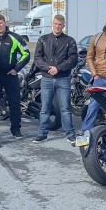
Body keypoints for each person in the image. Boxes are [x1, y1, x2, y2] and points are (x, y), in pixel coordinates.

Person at [33, 14, 78, 143]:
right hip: (47, 78)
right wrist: (48, 68)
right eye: (55, 24)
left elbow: (73, 59)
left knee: (65, 108)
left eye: (60, 25)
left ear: (63, 26)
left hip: (63, 78)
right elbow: (37, 58)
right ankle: (42, 134)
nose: (57, 26)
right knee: (45, 108)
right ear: (52, 24)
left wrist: (58, 68)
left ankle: (70, 134)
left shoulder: (70, 41)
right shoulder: (43, 39)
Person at [0, 14, 30, 138]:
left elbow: (26, 54)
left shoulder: (15, 37)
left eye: (1, 23)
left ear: (5, 23)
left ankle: (16, 129)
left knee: (14, 102)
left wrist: (16, 69)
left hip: (10, 75)